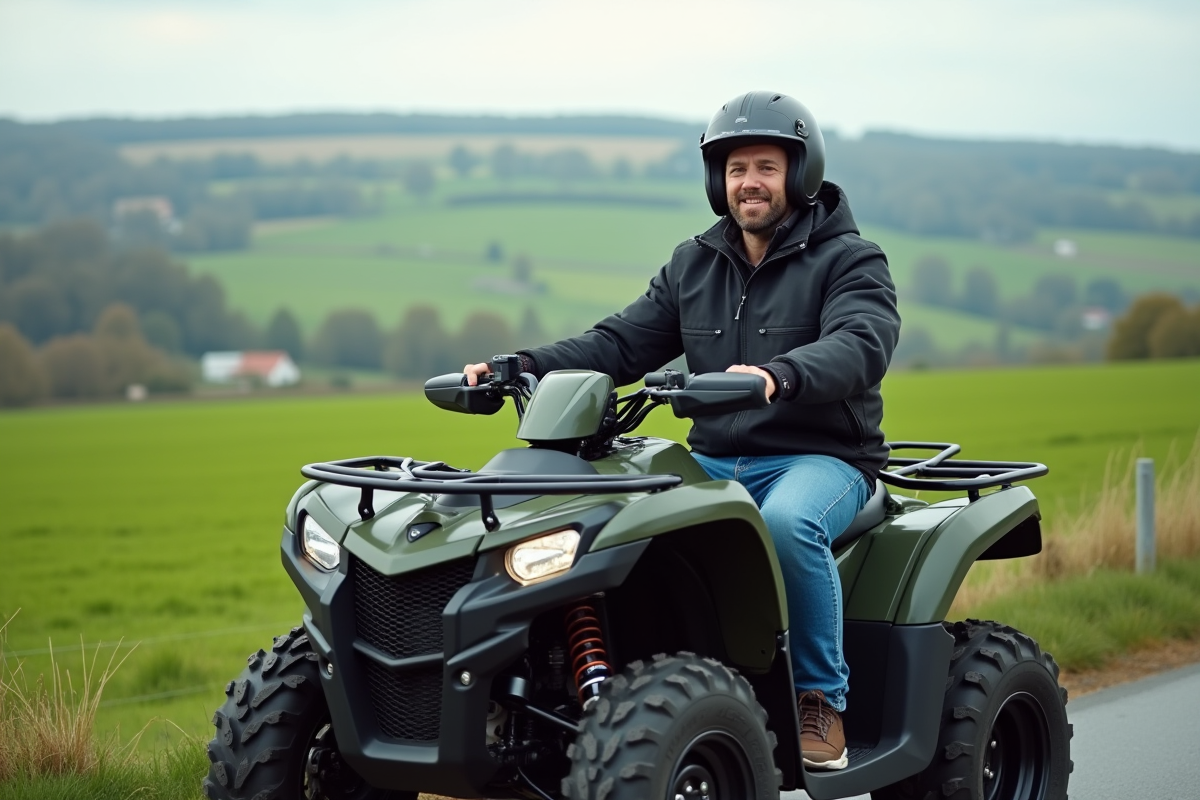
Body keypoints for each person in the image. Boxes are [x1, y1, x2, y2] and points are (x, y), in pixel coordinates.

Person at [465, 91, 900, 771]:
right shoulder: (694, 264)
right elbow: (619, 343)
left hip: (821, 458)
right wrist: (520, 365)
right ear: (716, 180)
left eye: (765, 167)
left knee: (788, 523)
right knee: (610, 521)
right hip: (714, 460)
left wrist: (778, 375)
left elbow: (860, 344)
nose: (749, 182)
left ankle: (819, 699)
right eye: (735, 169)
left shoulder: (851, 260)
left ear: (800, 173)